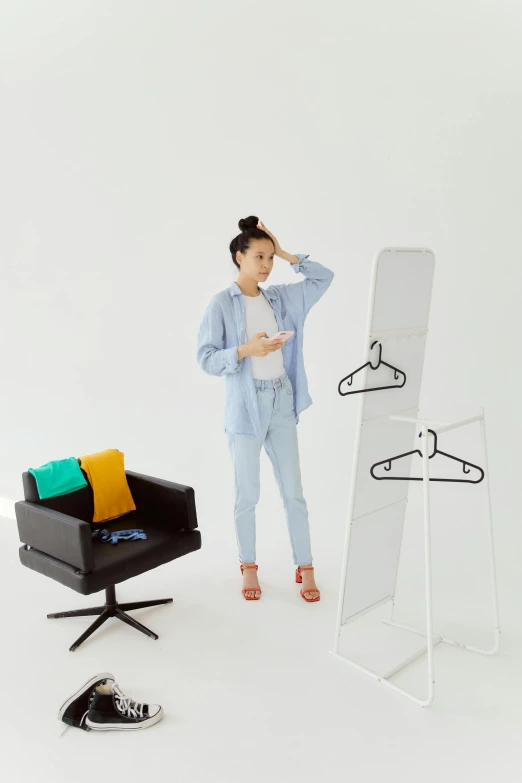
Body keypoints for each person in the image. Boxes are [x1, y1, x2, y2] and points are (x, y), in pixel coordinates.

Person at [196, 216, 334, 601]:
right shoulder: (222, 303)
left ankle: (305, 567)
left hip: (282, 401)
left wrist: (288, 252)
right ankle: (249, 566)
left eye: (271, 257)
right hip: (245, 407)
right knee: (248, 494)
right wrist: (245, 350)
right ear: (239, 257)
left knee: (294, 491)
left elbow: (323, 278)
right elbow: (205, 358)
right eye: (259, 256)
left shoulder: (281, 298)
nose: (267, 265)